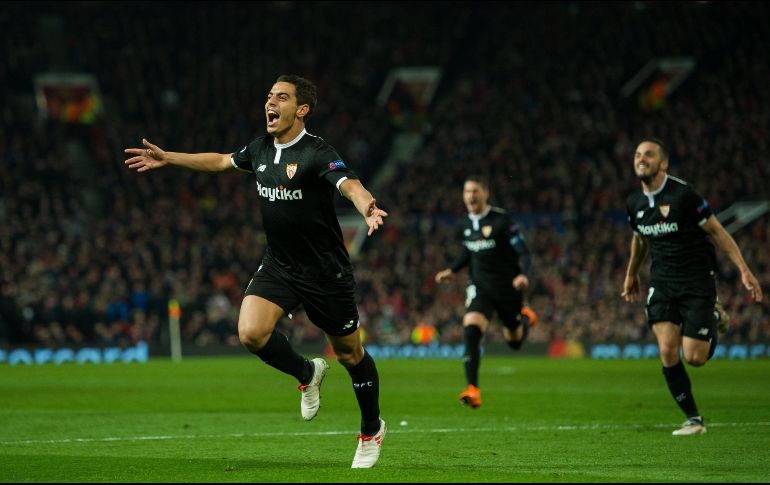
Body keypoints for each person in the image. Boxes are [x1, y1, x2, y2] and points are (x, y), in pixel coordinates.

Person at [124, 75, 388, 468]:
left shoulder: (317, 152)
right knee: (250, 332)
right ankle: (307, 372)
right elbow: (221, 162)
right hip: (280, 264)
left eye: (281, 97)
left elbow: (348, 183)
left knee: (351, 355)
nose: (271, 102)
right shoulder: (261, 148)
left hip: (324, 272)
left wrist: (366, 205)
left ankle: (371, 428)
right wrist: (169, 158)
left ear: (302, 110)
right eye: (269, 96)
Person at [621, 138, 763, 436]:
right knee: (667, 350)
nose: (641, 159)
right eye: (637, 155)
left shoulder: (683, 195)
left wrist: (744, 270)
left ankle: (713, 314)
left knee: (695, 358)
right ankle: (693, 419)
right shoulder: (634, 202)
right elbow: (640, 239)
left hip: (696, 281)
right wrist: (631, 273)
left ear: (663, 163)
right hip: (662, 283)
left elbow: (717, 231)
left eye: (648, 155)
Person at [434, 175, 536, 409]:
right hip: (480, 287)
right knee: (471, 330)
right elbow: (469, 252)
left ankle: (526, 319)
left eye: (475, 191)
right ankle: (473, 389)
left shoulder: (502, 220)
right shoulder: (464, 225)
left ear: (485, 193)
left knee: (515, 341)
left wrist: (523, 275)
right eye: (467, 191)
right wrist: (453, 270)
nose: (471, 195)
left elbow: (524, 253)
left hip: (508, 288)